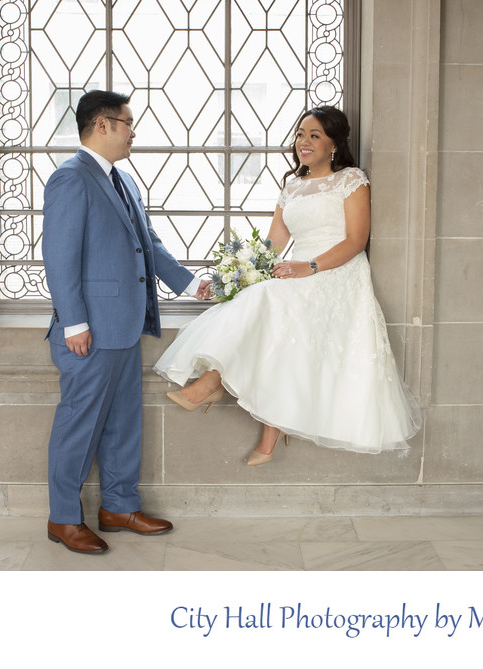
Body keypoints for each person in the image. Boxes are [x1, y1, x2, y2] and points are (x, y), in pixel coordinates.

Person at [154, 106, 421, 465]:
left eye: (314, 135)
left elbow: (356, 240)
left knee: (273, 304)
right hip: (297, 272)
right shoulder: (291, 187)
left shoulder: (351, 180)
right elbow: (273, 245)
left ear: (333, 144)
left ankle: (213, 385)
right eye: (300, 135)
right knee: (260, 302)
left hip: (336, 270)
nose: (304, 143)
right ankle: (238, 405)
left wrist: (308, 266)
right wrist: (240, 273)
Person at [42, 90, 211, 554]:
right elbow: (58, 258)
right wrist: (74, 323)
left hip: (124, 326)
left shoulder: (125, 182)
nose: (133, 132)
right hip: (89, 332)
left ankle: (118, 505)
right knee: (79, 425)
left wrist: (190, 284)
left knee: (122, 423)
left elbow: (148, 243)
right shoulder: (70, 180)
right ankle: (63, 519)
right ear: (102, 125)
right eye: (127, 123)